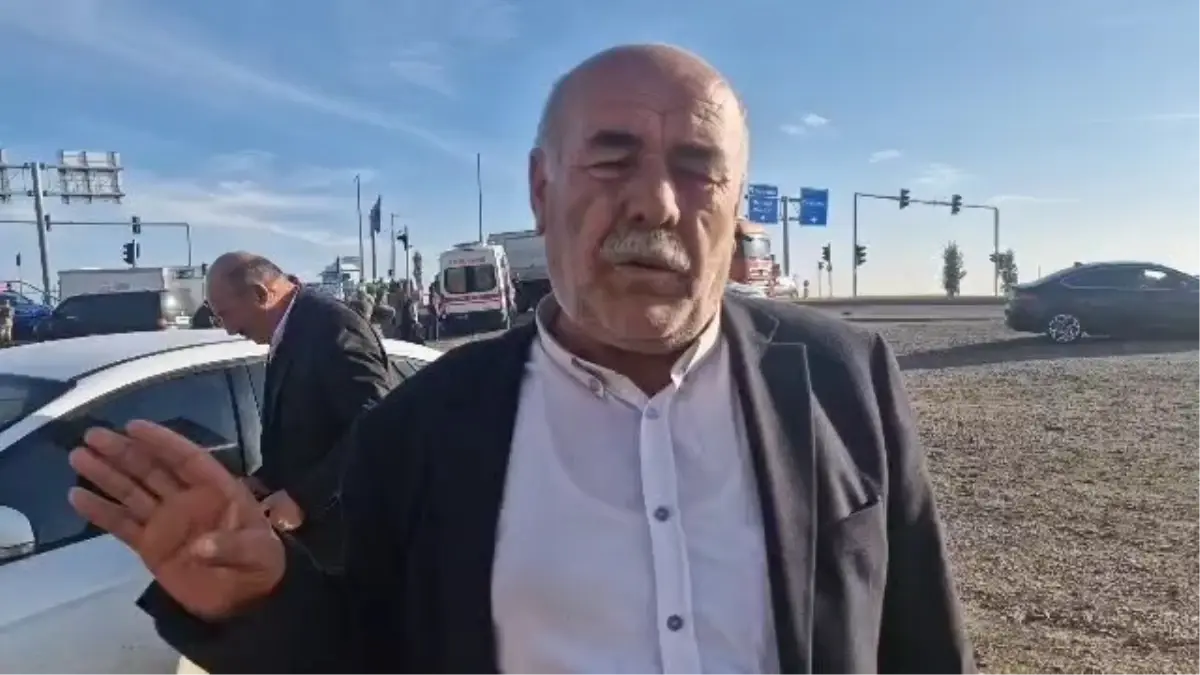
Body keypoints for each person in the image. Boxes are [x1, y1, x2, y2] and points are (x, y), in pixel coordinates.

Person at [67, 45, 974, 675]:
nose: (657, 202)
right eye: (612, 159)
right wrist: (256, 598)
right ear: (542, 190)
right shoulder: (421, 429)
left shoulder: (843, 377)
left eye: (699, 166)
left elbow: (921, 641)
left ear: (735, 204)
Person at [194, 252, 395, 565]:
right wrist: (264, 481)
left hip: (349, 547)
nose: (229, 330)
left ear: (260, 294)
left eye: (226, 315)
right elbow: (306, 433)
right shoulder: (292, 329)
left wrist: (303, 499)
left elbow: (377, 426)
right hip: (317, 545)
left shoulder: (332, 328)